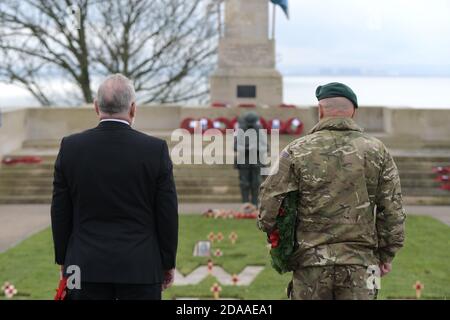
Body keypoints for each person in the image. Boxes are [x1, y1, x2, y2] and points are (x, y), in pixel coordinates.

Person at [258, 82, 406, 300]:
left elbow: (268, 205)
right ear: (353, 111)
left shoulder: (297, 150)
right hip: (362, 264)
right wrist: (386, 254)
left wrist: (280, 245)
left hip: (310, 264)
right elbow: (392, 209)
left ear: (320, 110)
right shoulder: (377, 151)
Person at [51, 74, 178, 300]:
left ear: (96, 107)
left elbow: (60, 212)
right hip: (140, 266)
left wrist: (65, 260)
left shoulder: (71, 148)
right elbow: (167, 213)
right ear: (133, 109)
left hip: (83, 265)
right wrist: (167, 262)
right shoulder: (154, 150)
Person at [234, 111, 267, 205]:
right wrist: (245, 148)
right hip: (244, 160)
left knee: (256, 183)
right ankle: (245, 203)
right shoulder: (241, 130)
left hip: (256, 159)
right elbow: (235, 146)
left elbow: (265, 146)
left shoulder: (259, 130)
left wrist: (256, 147)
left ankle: (255, 203)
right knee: (244, 183)